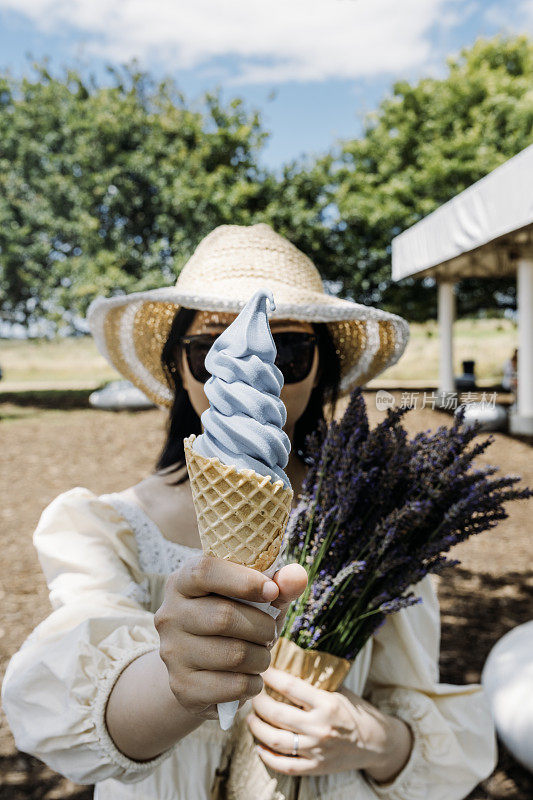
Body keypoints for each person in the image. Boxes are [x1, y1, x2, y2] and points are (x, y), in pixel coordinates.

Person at [2, 223, 497, 800]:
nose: (263, 373)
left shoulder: (381, 527)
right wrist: (177, 681)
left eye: (290, 350)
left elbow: (416, 713)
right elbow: (68, 709)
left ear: (324, 370)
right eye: (208, 348)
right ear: (177, 366)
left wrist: (370, 737)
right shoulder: (107, 529)